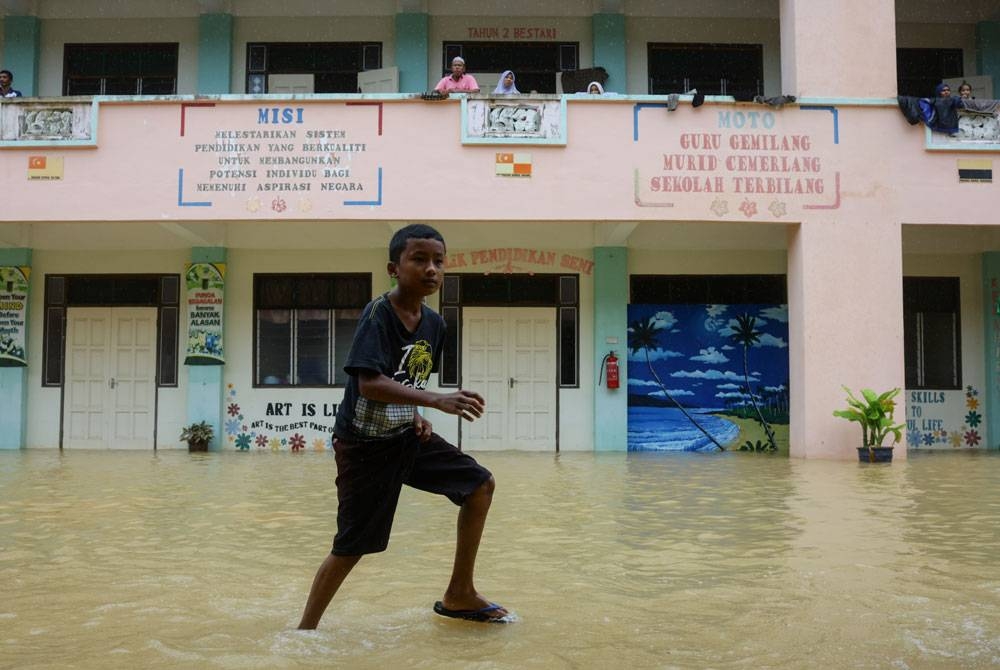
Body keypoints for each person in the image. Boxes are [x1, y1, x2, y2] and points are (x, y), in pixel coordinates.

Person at [297, 223, 510, 629]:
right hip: (363, 446)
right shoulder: (377, 314)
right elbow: (370, 382)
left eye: (439, 261)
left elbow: (405, 380)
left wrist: (416, 414)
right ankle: (304, 632)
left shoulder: (435, 325)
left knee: (479, 486)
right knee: (352, 545)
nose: (431, 269)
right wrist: (435, 400)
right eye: (419, 259)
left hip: (406, 437)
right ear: (393, 268)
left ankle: (459, 593)